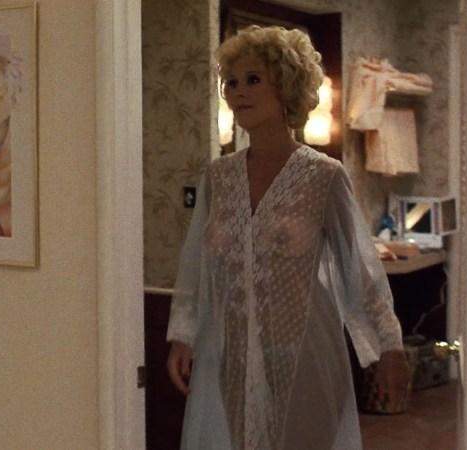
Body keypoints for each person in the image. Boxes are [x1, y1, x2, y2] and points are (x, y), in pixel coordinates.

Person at [165, 25, 410, 449]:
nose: (239, 92)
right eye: (231, 83)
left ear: (285, 85)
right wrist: (183, 335)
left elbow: (360, 272)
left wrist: (390, 347)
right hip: (232, 354)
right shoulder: (218, 176)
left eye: (253, 79)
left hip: (305, 351)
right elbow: (197, 267)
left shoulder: (323, 176)